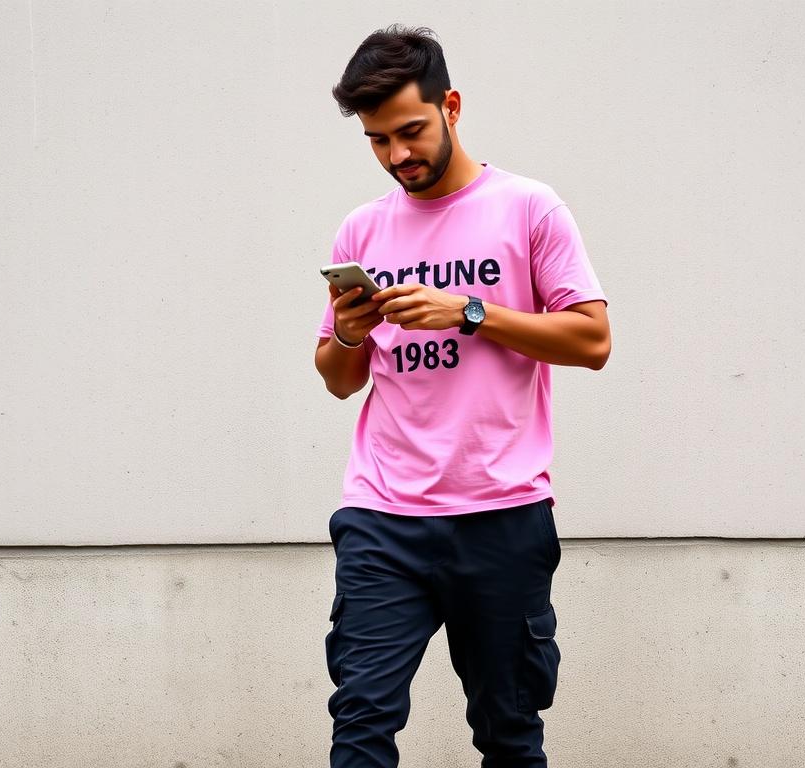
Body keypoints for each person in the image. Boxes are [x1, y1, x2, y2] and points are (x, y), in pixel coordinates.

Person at [315, 25, 611, 768]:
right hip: (384, 516)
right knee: (360, 722)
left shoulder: (530, 209)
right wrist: (349, 334)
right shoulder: (363, 228)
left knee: (508, 732)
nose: (398, 156)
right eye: (378, 141)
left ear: (451, 106)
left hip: (501, 514)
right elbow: (340, 379)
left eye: (410, 132)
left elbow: (592, 342)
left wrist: (470, 312)